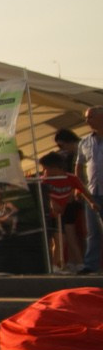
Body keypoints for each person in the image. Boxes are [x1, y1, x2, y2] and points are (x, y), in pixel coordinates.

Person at [38, 152, 94, 274]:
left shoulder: (71, 178)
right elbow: (44, 195)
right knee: (59, 240)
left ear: (55, 167)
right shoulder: (44, 180)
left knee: (71, 237)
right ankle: (55, 265)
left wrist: (92, 202)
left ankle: (79, 264)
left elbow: (83, 190)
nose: (44, 171)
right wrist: (53, 202)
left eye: (46, 168)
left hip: (68, 209)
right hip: (53, 213)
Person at [80, 108, 103, 275]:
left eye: (90, 117)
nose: (87, 121)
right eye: (86, 118)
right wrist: (80, 188)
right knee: (93, 231)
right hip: (92, 193)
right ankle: (90, 265)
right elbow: (79, 167)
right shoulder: (84, 142)